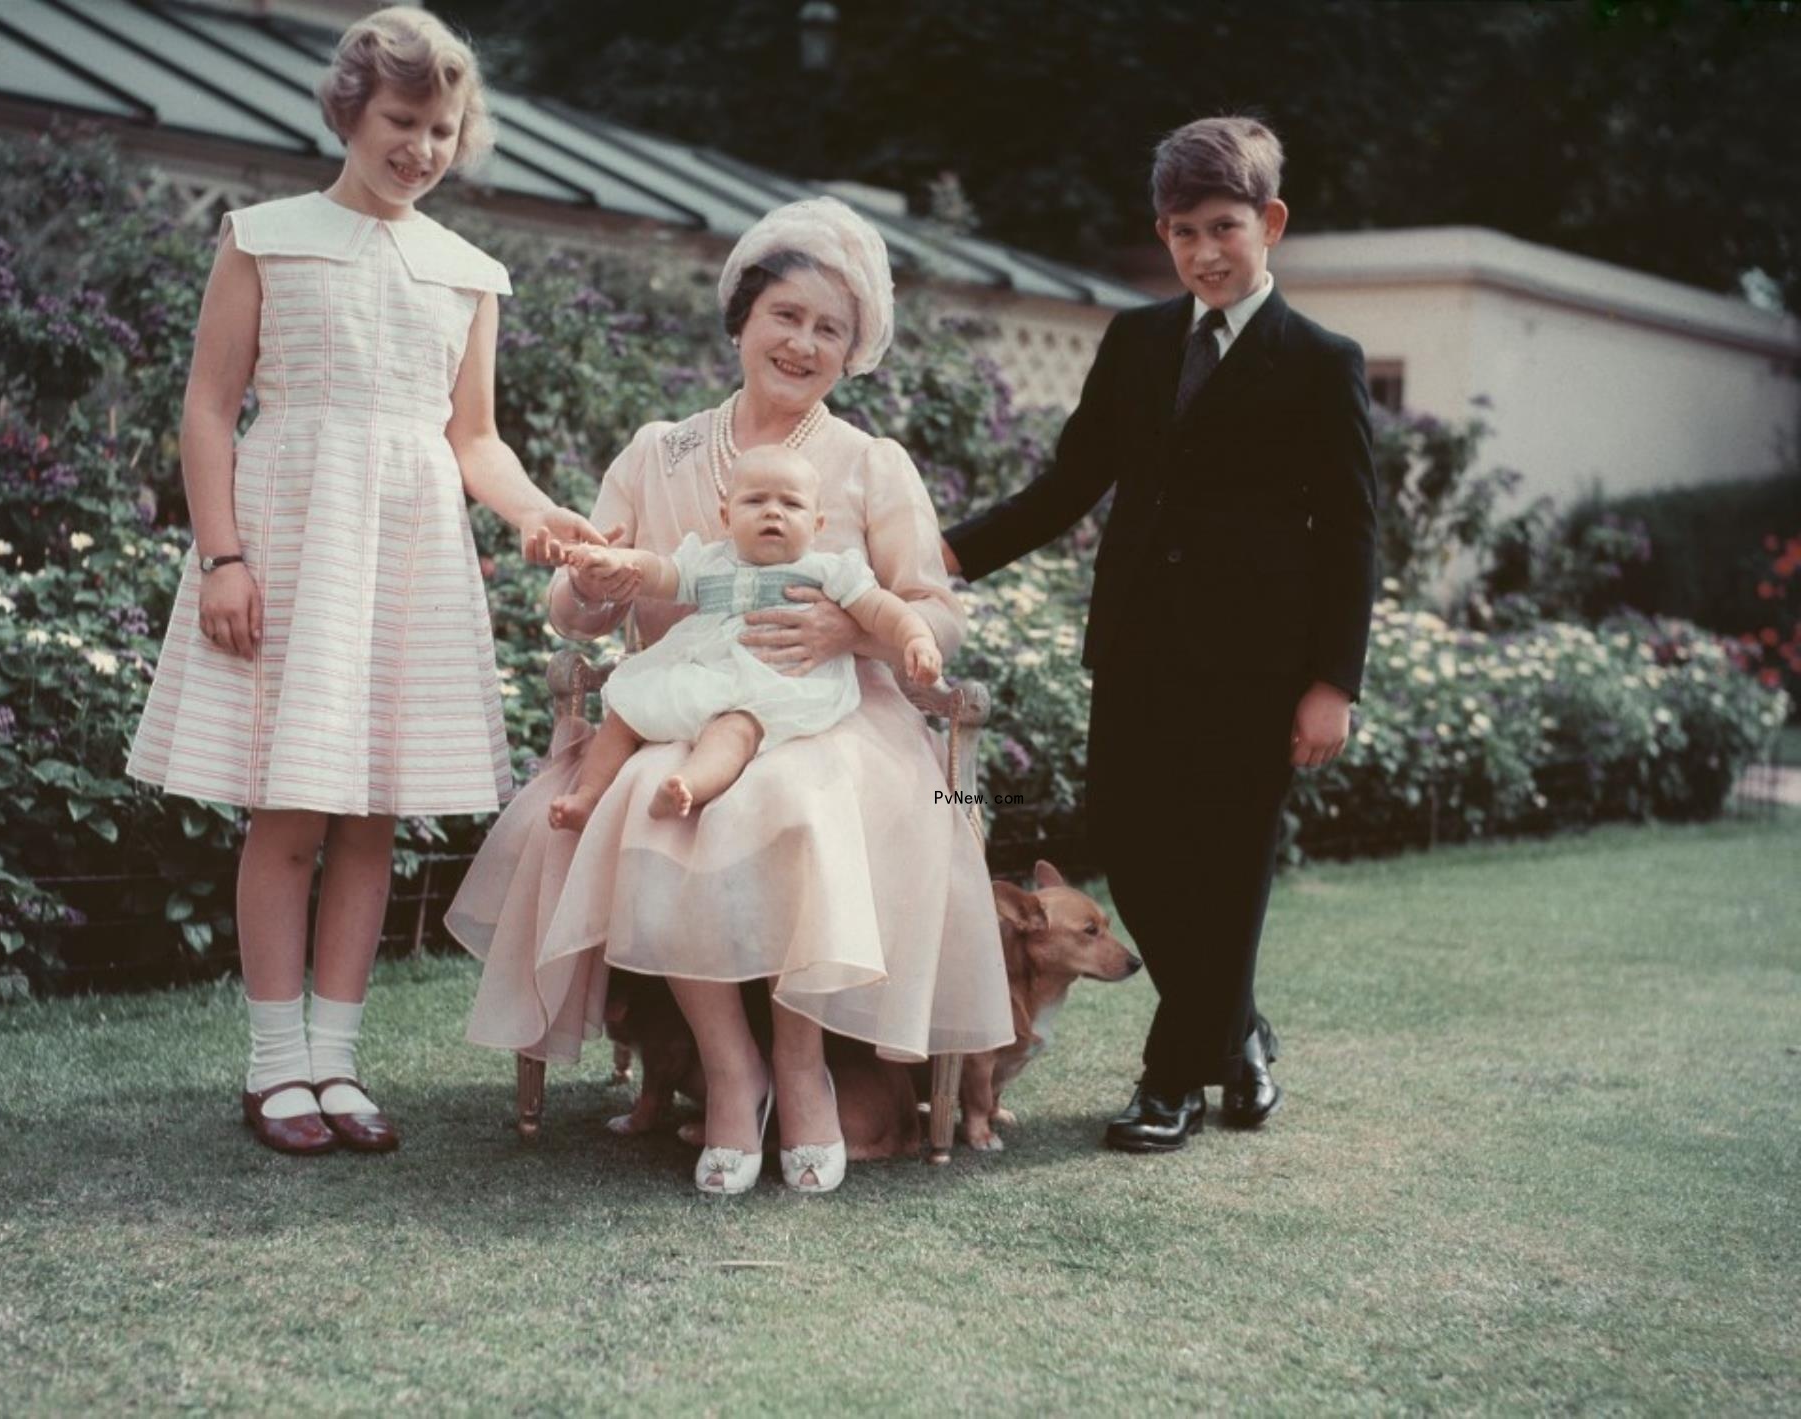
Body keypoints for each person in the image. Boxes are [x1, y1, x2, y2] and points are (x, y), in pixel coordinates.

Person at [447, 198, 1014, 1196]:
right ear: (743, 322)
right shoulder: (660, 449)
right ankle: (728, 1066)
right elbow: (573, 604)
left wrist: (851, 626)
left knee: (787, 799)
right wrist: (594, 578)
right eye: (785, 316)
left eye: (828, 330)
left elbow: (934, 609)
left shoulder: (870, 464)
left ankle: (800, 1072)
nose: (802, 343)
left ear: (851, 352)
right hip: (680, 700)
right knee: (648, 796)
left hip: (829, 716)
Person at [127, 6, 606, 1157]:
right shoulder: (265, 236)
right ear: (352, 111)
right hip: (291, 540)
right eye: (402, 120)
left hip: (408, 551)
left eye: (443, 127)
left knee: (374, 816)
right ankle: (273, 1067)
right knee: (289, 811)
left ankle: (337, 1064)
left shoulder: (466, 272)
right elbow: (207, 407)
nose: (423, 147)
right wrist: (223, 557)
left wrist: (543, 516)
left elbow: (474, 438)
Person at [942, 116, 1377, 1153]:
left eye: (1224, 226)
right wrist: (946, 556)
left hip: (1257, 671)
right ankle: (1240, 1035)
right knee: (1135, 859)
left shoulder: (1322, 361)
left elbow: (1354, 530)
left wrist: (1333, 682)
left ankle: (1172, 1079)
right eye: (1181, 232)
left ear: (1270, 222)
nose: (1203, 251)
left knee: (1225, 873)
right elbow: (1071, 483)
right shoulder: (1136, 341)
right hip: (1135, 652)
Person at [545, 444, 943, 830]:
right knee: (624, 717)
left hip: (772, 681)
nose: (773, 511)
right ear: (726, 516)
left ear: (818, 524)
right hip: (702, 672)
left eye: (791, 504)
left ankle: (687, 785)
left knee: (736, 730)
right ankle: (589, 795)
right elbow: (660, 573)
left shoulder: (828, 570)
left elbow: (881, 609)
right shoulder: (709, 561)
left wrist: (916, 638)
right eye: (755, 501)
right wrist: (618, 560)